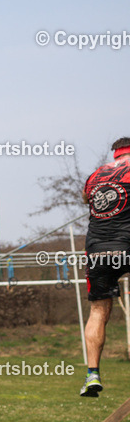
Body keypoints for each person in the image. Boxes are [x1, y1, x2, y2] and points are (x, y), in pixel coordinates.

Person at [80, 137, 130, 397]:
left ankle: (92, 374)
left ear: (115, 153)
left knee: (98, 310)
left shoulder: (96, 174)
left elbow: (86, 198)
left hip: (98, 252)